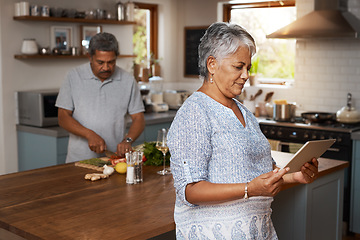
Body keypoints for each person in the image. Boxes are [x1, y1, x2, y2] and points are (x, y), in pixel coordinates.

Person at [167, 22, 318, 239]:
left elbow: (260, 175)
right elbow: (190, 191)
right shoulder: (195, 112)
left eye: (248, 67)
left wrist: (296, 176)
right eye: (239, 67)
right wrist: (250, 189)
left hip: (258, 231)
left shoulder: (243, 112)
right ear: (212, 64)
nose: (246, 75)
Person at [56, 32, 145, 163]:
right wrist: (89, 134)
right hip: (79, 160)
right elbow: (63, 117)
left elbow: (139, 118)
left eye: (111, 62)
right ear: (90, 57)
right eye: (100, 62)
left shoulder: (128, 80)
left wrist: (128, 140)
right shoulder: (73, 76)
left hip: (114, 159)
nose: (106, 67)